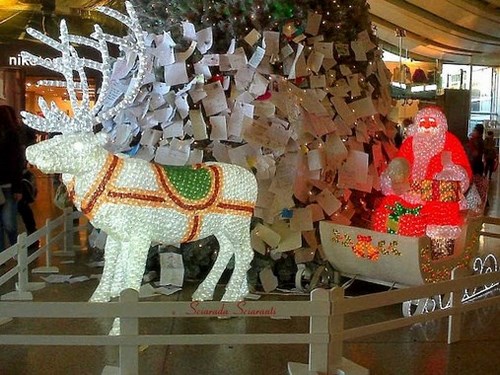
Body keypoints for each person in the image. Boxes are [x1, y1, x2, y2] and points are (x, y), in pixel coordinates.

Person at [373, 106, 472, 257]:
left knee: (444, 202)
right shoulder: (410, 143)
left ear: (440, 124)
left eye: (431, 122)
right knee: (389, 206)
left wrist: (415, 186)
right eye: (423, 121)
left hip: (437, 196)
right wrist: (393, 181)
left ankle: (439, 255)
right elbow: (398, 165)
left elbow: (456, 184)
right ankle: (391, 248)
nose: (426, 126)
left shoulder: (450, 142)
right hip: (409, 196)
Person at [0, 105, 25, 252]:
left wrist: (17, 187)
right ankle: (4, 255)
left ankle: (16, 252)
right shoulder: (13, 134)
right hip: (7, 184)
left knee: (9, 223)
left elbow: (16, 163)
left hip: (8, 185)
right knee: (7, 223)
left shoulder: (12, 136)